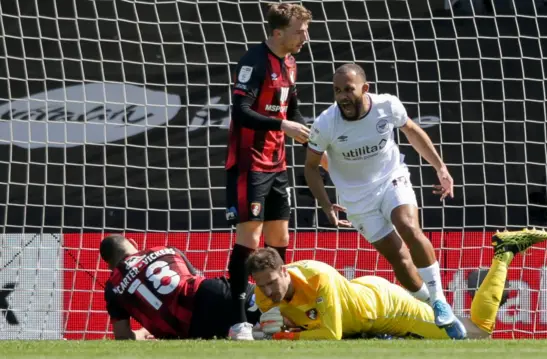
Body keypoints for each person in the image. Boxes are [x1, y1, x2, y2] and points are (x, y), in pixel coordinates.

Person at [303, 63, 465, 338]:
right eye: (337, 90)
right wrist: (326, 203)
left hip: (391, 178)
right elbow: (310, 166)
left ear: (365, 89)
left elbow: (413, 132)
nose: (342, 96)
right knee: (399, 258)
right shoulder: (326, 123)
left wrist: (440, 167)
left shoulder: (386, 106)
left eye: (348, 89)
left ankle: (439, 298)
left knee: (408, 227)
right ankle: (433, 308)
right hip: (357, 200)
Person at [248, 228, 547, 340]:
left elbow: (330, 334)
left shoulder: (318, 277)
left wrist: (277, 338)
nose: (270, 291)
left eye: (273, 283)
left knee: (476, 336)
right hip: (363, 296)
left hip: (388, 307)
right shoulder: (264, 297)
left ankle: (503, 252)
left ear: (284, 271)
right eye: (263, 287)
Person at [224, 3, 317, 340]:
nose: (305, 37)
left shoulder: (290, 63)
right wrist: (283, 125)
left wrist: (313, 146)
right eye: (299, 31)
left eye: (306, 30)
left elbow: (294, 112)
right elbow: (241, 111)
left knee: (280, 240)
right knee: (249, 240)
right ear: (277, 33)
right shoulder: (254, 61)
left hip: (277, 165)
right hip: (250, 165)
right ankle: (238, 323)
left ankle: (274, 315)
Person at [100, 235, 260, 340]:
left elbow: (123, 337)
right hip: (210, 295)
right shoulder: (163, 249)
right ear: (133, 243)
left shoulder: (113, 286)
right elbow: (197, 278)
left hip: (193, 330)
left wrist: (143, 332)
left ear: (110, 266)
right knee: (272, 307)